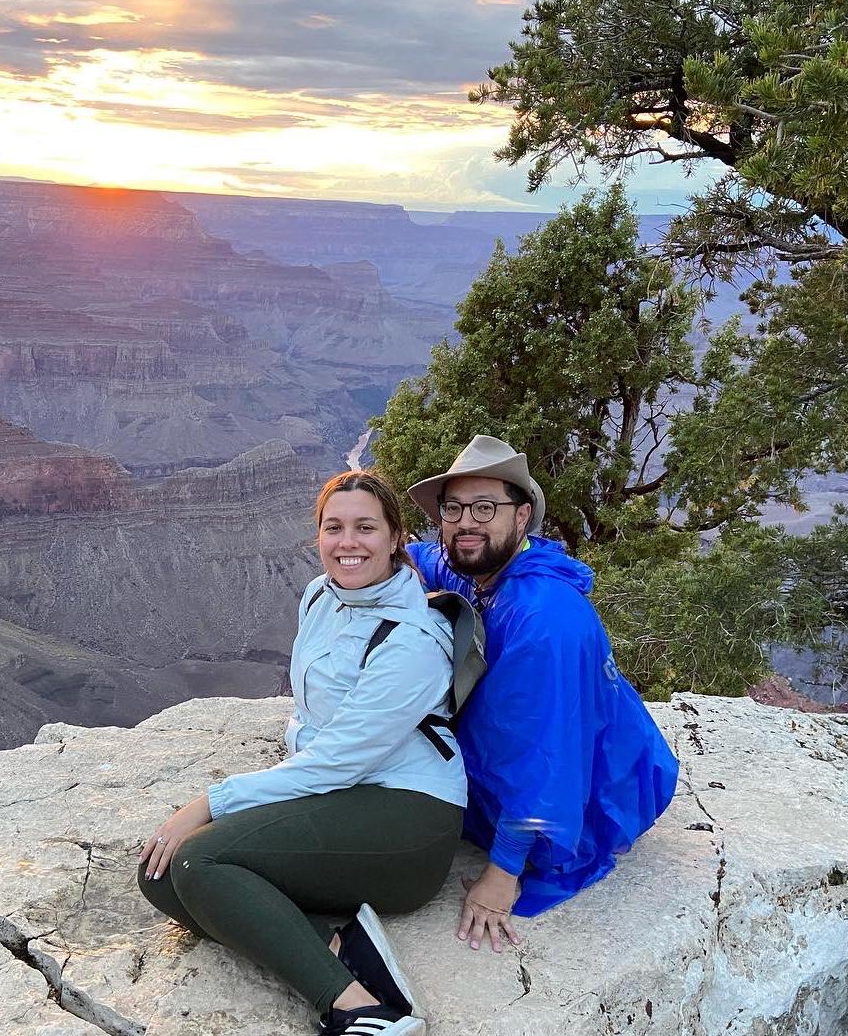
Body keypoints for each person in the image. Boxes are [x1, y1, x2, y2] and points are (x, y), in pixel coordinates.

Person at [138, 471, 469, 1036]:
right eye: (333, 527)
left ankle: (359, 1006)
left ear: (395, 539)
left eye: (366, 528)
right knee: (159, 875)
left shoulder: (412, 639)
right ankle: (335, 941)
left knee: (199, 859)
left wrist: (212, 802)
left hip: (409, 821)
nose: (348, 543)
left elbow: (338, 762)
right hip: (344, 796)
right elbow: (316, 729)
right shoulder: (320, 596)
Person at [405, 435, 679, 953]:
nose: (466, 521)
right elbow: (425, 558)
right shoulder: (483, 567)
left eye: (486, 507)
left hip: (600, 789)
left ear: (522, 514)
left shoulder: (543, 620)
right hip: (526, 756)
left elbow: (545, 758)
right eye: (454, 508)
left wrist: (503, 873)